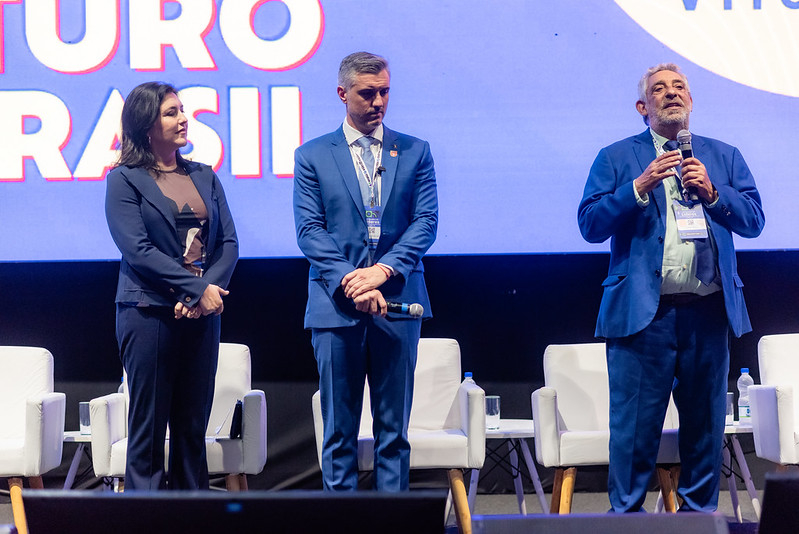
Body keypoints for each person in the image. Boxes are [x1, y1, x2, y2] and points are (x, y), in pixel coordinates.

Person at [578, 63, 765, 512]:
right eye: (659, 89)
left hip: (707, 312)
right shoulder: (617, 157)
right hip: (645, 317)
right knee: (634, 434)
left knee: (705, 431)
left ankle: (699, 518)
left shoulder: (724, 155)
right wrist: (638, 187)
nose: (672, 94)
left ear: (692, 101)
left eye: (680, 87)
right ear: (643, 108)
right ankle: (625, 519)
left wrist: (715, 193)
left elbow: (754, 221)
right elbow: (590, 224)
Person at [293, 52, 438, 491]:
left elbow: (425, 222)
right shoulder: (312, 155)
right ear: (343, 94)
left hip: (398, 300)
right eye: (367, 93)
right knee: (339, 431)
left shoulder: (415, 150)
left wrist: (382, 272)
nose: (379, 101)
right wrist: (352, 280)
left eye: (385, 91)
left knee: (394, 433)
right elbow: (309, 231)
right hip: (336, 306)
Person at [105, 82, 238, 490]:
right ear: (147, 126)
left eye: (182, 110)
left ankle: (192, 521)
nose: (183, 119)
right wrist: (193, 291)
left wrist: (205, 295)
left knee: (191, 429)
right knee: (147, 432)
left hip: (201, 316)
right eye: (170, 112)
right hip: (148, 314)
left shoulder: (204, 175)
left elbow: (228, 245)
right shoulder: (124, 180)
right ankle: (143, 523)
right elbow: (139, 250)